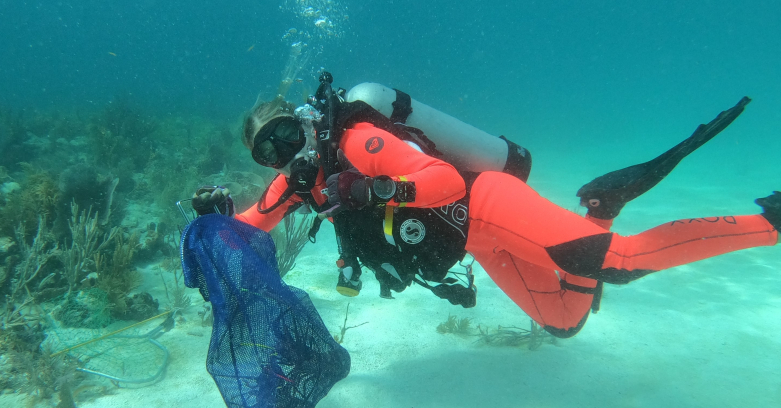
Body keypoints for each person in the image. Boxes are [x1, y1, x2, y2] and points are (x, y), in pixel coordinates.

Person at [192, 75, 780, 338]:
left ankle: (770, 221)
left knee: (618, 264)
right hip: (472, 240)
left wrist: (371, 189)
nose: (285, 152)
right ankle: (599, 205)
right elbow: (247, 231)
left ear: (305, 123)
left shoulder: (354, 141)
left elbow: (443, 181)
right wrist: (214, 222)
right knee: (562, 322)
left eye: (287, 135)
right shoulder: (300, 182)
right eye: (269, 150)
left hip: (484, 202)